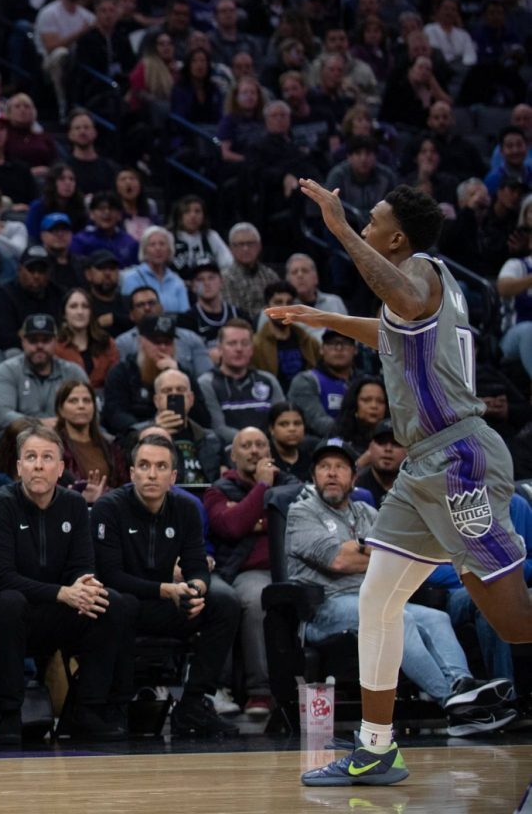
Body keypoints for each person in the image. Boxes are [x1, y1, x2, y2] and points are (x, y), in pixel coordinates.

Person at [272, 182, 532, 786]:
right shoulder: (429, 285)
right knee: (377, 599)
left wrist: (334, 228)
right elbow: (395, 327)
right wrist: (325, 318)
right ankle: (376, 747)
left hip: (458, 459)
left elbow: (405, 304)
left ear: (396, 238)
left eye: (371, 221)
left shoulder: (415, 272)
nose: (362, 226)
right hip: (423, 469)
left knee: (514, 622)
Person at [285, 439, 516, 745]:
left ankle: (463, 685)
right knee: (397, 615)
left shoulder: (366, 510)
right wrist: (374, 552)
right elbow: (338, 559)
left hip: (371, 597)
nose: (331, 473)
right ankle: (453, 702)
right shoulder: (301, 511)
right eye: (324, 467)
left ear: (354, 478)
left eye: (340, 467)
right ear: (313, 476)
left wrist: (366, 550)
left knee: (435, 617)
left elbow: (396, 555)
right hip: (325, 608)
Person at [0, 426, 137, 743]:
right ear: (19, 466)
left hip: (56, 608)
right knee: (9, 602)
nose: (38, 465)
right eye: (31, 457)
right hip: (6, 614)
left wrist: (84, 585)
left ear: (61, 468)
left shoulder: (75, 505)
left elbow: (82, 565)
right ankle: (9, 713)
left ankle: (84, 709)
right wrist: (63, 592)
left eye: (47, 457)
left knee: (112, 604)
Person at [92, 435, 241, 737]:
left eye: (161, 467)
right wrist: (167, 590)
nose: (151, 473)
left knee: (225, 603)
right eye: (144, 465)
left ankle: (194, 703)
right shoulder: (109, 508)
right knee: (121, 604)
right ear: (132, 472)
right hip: (123, 605)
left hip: (167, 604)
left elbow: (197, 565)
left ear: (173, 477)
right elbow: (109, 575)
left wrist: (196, 589)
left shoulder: (186, 508)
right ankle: (115, 706)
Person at [203, 427, 290, 717]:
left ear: (270, 452)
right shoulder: (218, 489)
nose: (254, 450)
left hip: (287, 569)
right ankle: (259, 691)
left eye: (260, 444)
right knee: (254, 599)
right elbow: (230, 526)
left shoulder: (290, 484)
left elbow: (294, 521)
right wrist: (262, 490)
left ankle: (277, 692)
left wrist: (252, 515)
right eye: (246, 445)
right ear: (233, 455)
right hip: (241, 571)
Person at [0, 313, 89, 429]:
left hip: (65, 438)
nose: (40, 346)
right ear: (23, 341)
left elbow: (91, 412)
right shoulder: (7, 370)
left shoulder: (73, 372)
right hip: (20, 440)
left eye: (46, 340)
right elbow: (1, 416)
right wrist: (39, 424)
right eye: (33, 340)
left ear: (55, 341)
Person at [196, 320, 285, 444]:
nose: (239, 349)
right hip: (229, 453)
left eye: (245, 343)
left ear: (252, 349)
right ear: (220, 349)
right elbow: (218, 428)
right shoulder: (206, 383)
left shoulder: (268, 380)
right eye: (232, 343)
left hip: (270, 450)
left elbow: (283, 421)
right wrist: (254, 443)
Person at [287, 329, 359, 436]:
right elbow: (318, 422)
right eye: (332, 343)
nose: (339, 348)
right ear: (321, 349)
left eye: (345, 343)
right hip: (320, 445)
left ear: (355, 350)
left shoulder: (364, 382)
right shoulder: (307, 380)